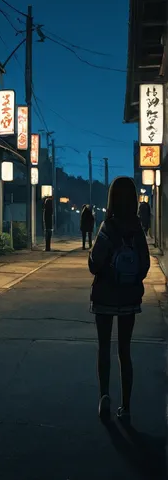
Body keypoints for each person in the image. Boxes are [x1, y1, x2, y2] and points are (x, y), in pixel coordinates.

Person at [88, 176, 150, 425]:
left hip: (104, 295)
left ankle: (104, 396)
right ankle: (126, 406)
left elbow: (94, 264)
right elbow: (144, 265)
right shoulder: (137, 230)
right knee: (125, 351)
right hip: (128, 297)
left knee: (104, 347)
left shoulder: (108, 228)